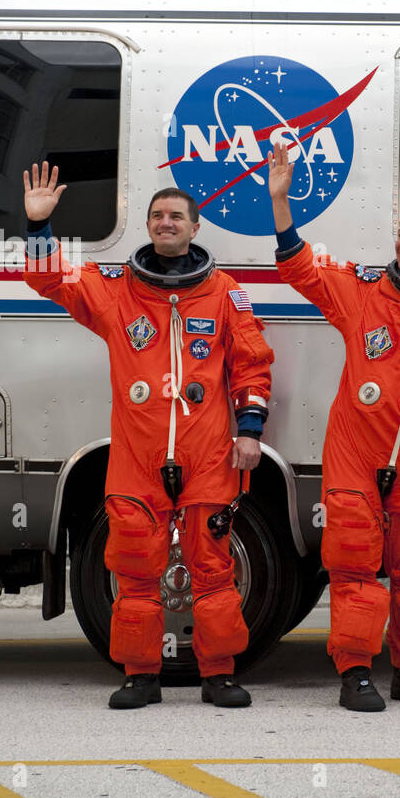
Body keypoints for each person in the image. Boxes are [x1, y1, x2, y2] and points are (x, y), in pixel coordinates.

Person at [22, 161, 275, 710]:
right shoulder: (117, 291)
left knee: (211, 566)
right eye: (158, 215)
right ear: (148, 224)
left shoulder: (226, 293)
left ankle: (219, 674)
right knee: (135, 568)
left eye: (176, 216)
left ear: (195, 226)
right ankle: (140, 674)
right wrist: (39, 227)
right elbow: (51, 280)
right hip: (137, 455)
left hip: (209, 452)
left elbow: (252, 367)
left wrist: (250, 431)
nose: (166, 223)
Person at [267, 143, 400, 713]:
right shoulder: (364, 293)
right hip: (356, 454)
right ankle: (356, 673)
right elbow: (299, 268)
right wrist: (281, 201)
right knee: (356, 561)